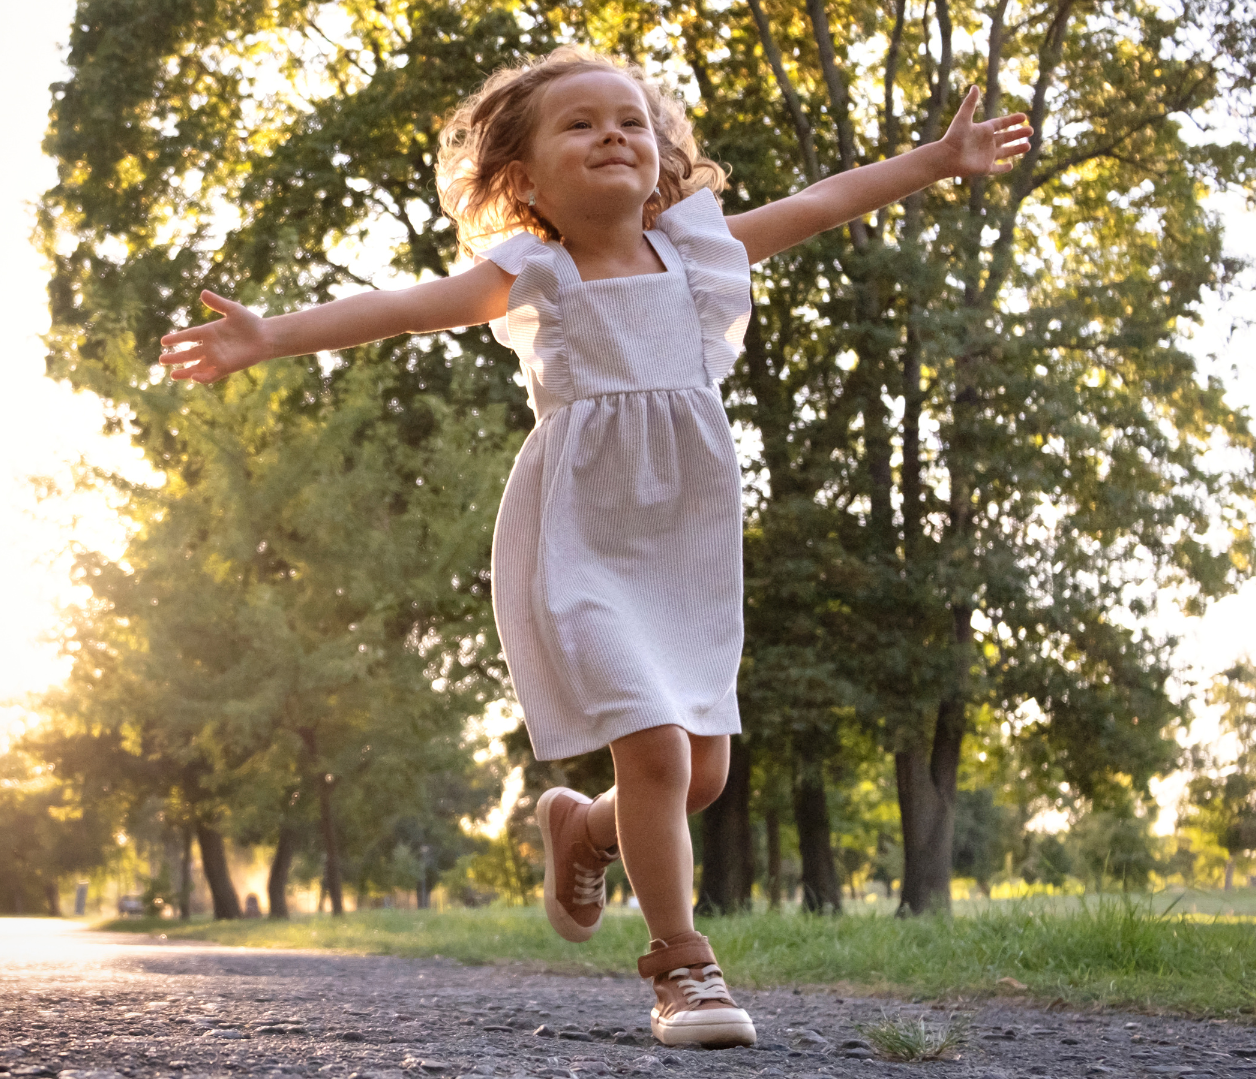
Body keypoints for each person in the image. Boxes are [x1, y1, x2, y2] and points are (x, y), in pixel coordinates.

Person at [158, 46, 1030, 1048]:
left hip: (686, 546)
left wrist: (936, 159)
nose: (611, 134)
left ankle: (580, 826)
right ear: (523, 180)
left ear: (658, 158)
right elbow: (400, 308)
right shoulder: (534, 273)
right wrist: (270, 335)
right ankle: (682, 966)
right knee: (654, 748)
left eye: (629, 121)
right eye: (578, 124)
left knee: (697, 776)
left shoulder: (698, 252)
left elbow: (820, 203)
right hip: (580, 538)